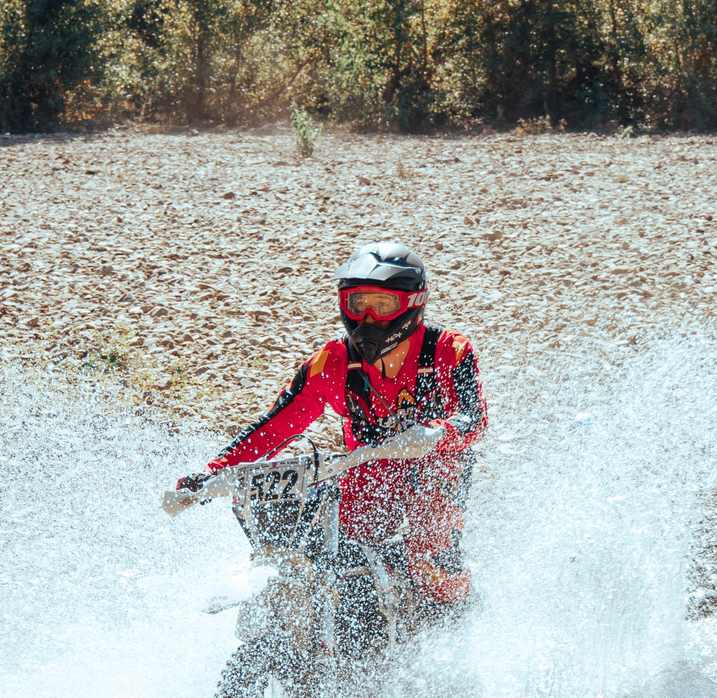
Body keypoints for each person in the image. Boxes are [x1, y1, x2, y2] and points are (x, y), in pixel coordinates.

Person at [177, 242, 487, 606]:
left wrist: (435, 433)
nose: (368, 318)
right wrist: (213, 471)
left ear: (411, 304)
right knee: (336, 548)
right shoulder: (333, 361)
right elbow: (274, 426)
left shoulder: (449, 351)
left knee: (427, 560)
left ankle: (459, 610)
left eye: (382, 305)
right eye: (359, 304)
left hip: (438, 463)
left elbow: (475, 420)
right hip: (368, 466)